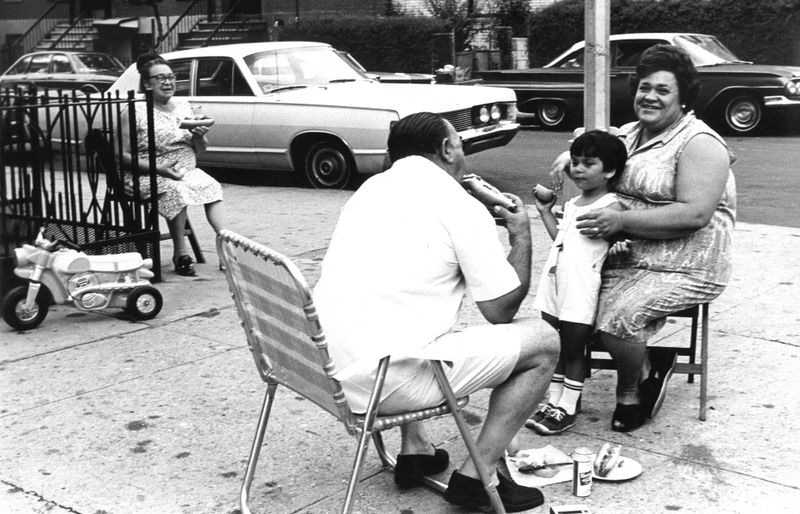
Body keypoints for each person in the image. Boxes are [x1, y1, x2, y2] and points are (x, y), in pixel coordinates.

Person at [313, 112, 559, 512]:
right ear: (447, 149)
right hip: (381, 382)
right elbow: (501, 310)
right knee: (544, 342)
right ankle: (479, 475)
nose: (464, 156)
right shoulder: (460, 206)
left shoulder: (369, 190)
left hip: (324, 369)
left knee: (409, 311)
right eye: (460, 145)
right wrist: (520, 233)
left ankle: (416, 449)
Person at [574, 44, 736, 432]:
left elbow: (695, 214)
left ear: (682, 98)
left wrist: (622, 221)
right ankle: (578, 385)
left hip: (688, 262)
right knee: (567, 302)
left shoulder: (700, 143)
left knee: (616, 320)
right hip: (632, 253)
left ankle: (634, 386)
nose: (650, 96)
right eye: (644, 87)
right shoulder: (630, 135)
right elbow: (594, 159)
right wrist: (571, 158)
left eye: (663, 90)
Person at [526, 130, 628, 435]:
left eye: (588, 163)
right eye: (575, 162)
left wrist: (620, 244)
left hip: (580, 287)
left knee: (573, 348)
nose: (578, 169)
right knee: (556, 345)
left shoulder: (612, 207)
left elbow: (621, 241)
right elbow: (561, 239)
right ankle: (554, 401)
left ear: (609, 170)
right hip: (555, 283)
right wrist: (546, 211)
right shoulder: (574, 203)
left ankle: (568, 407)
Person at [121, 52, 225, 276]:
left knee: (213, 186)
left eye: (171, 77)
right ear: (148, 84)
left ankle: (226, 245)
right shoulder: (135, 110)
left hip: (186, 169)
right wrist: (160, 169)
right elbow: (123, 155)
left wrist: (198, 135)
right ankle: (181, 254)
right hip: (149, 172)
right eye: (160, 78)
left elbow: (201, 149)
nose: (168, 82)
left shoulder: (183, 105)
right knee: (175, 190)